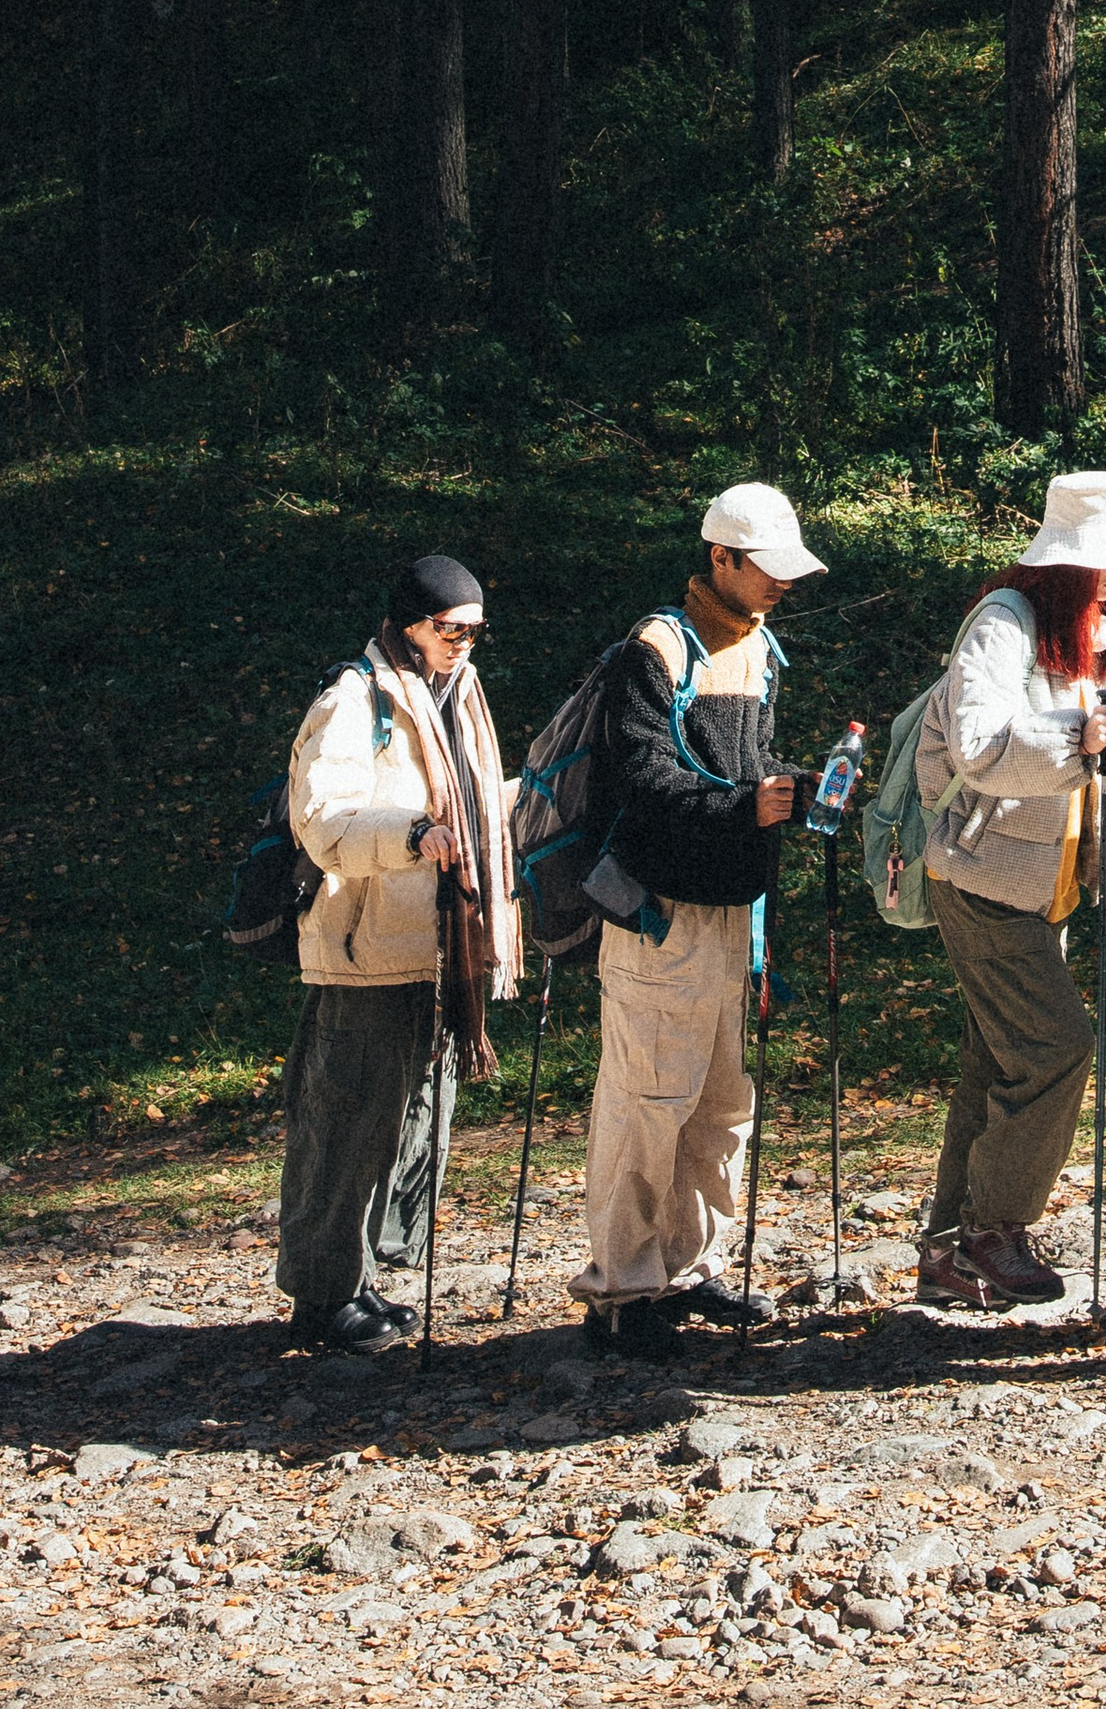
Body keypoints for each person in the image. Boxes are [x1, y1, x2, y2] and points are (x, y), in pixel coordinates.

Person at [912, 469, 1106, 1311]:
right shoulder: (1004, 623)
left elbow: (1102, 756)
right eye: (1102, 558)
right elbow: (981, 749)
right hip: (981, 876)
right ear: (1061, 560)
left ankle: (947, 1253)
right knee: (1055, 1048)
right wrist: (1083, 735)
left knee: (996, 1063)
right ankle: (994, 1231)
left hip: (1043, 883)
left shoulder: (1092, 631)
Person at [573, 480, 826, 1362]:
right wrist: (744, 807)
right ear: (720, 557)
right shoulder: (654, 649)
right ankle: (621, 1290)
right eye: (766, 568)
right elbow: (638, 780)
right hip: (660, 914)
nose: (780, 583)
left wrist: (795, 788)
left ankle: (688, 1268)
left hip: (731, 914)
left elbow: (743, 763)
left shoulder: (758, 646)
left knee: (719, 1104)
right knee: (648, 1101)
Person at [276, 549, 514, 1355]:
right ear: (409, 624)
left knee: (403, 1122)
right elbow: (324, 823)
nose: (464, 645)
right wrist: (414, 835)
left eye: (475, 632)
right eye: (450, 629)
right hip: (365, 948)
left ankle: (360, 1279)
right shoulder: (354, 700)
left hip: (435, 948)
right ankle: (321, 1298)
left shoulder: (457, 697)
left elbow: (470, 804)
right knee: (344, 1124)